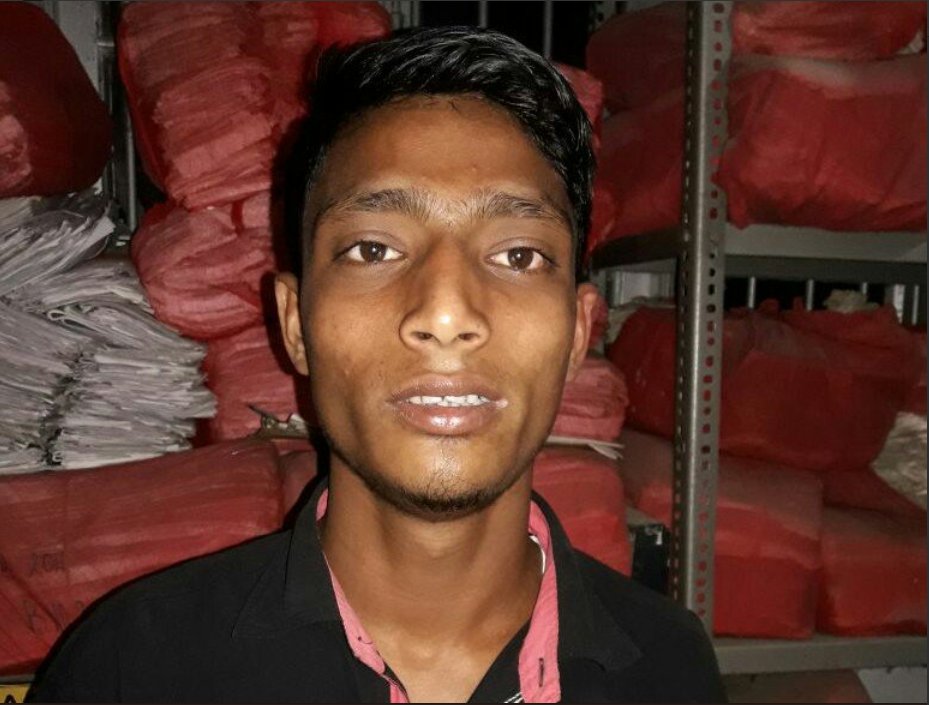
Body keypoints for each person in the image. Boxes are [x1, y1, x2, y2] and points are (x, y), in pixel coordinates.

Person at [28, 26, 725, 704]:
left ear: (576, 333)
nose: (445, 313)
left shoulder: (671, 670)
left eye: (518, 255)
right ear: (295, 325)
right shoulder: (133, 668)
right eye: (373, 250)